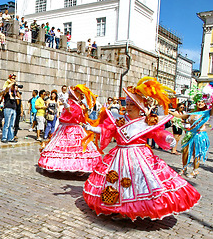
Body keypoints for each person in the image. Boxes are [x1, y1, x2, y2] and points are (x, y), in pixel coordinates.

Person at [83, 77, 200, 220]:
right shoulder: (120, 120)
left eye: (132, 104)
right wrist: (92, 128)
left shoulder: (145, 122)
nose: (129, 106)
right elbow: (108, 130)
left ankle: (135, 209)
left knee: (139, 182)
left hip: (138, 155)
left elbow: (156, 133)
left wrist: (167, 138)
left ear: (139, 106)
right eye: (128, 103)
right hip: (118, 155)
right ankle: (119, 209)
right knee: (115, 182)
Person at [38, 84, 102, 173]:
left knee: (75, 149)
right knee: (63, 148)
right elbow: (69, 111)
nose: (70, 95)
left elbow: (72, 111)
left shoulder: (76, 104)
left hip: (73, 128)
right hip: (65, 127)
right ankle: (60, 166)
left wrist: (65, 103)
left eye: (71, 94)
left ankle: (78, 167)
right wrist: (65, 103)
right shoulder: (72, 103)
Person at [171, 84, 213, 178]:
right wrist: (169, 112)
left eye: (202, 102)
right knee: (185, 151)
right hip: (189, 134)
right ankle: (184, 168)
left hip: (199, 134)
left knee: (196, 152)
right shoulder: (192, 112)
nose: (200, 103)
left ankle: (195, 170)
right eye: (198, 102)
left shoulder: (207, 112)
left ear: (205, 102)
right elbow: (181, 116)